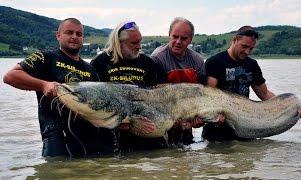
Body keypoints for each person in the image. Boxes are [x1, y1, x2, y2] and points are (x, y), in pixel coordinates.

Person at [3, 18, 115, 157]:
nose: (74, 37)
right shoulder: (45, 57)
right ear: (58, 35)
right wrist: (43, 85)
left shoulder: (90, 69)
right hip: (56, 135)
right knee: (55, 171)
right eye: (69, 32)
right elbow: (10, 76)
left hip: (90, 138)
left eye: (79, 34)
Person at [202, 26, 301, 141]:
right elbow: (208, 96)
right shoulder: (214, 62)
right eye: (244, 46)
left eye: (251, 48)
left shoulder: (252, 64)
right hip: (217, 130)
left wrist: (293, 108)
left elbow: (265, 94)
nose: (247, 52)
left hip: (244, 130)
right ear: (234, 40)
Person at [90, 21, 167, 151]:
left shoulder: (149, 64)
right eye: (134, 43)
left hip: (146, 131)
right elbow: (93, 100)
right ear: (119, 43)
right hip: (111, 133)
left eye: (140, 41)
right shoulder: (100, 62)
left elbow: (162, 97)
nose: (139, 47)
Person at [151, 17, 207, 145]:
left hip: (188, 119)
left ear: (190, 40)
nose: (178, 42)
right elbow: (154, 96)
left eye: (183, 38)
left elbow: (202, 95)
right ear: (169, 36)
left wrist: (199, 119)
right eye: (175, 36)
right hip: (163, 123)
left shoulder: (198, 60)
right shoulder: (157, 59)